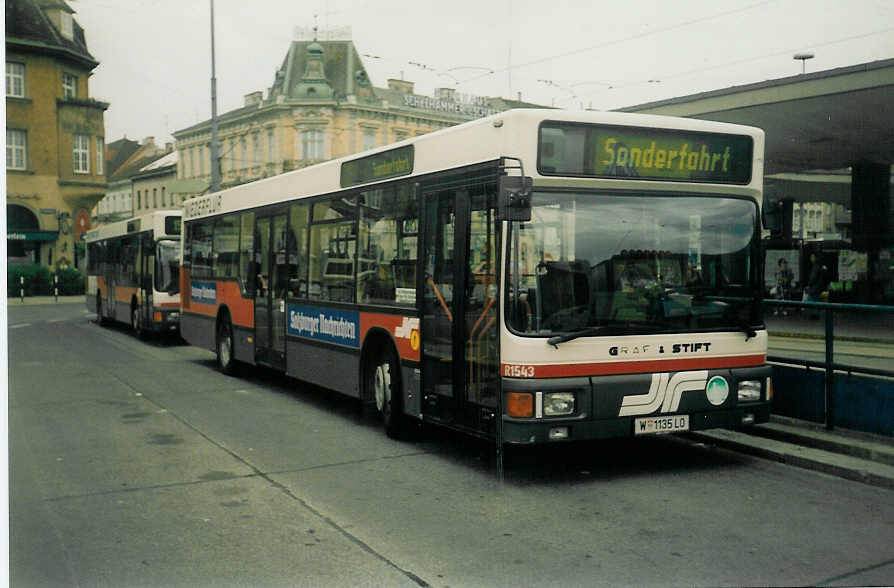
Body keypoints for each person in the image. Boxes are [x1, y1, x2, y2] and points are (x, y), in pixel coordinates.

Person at [804, 252, 827, 318]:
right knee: (815, 300)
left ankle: (814, 314)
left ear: (815, 258)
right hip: (818, 287)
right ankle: (815, 314)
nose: (811, 258)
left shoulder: (815, 266)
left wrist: (809, 284)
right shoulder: (820, 265)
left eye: (812, 257)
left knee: (811, 299)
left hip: (814, 287)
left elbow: (813, 277)